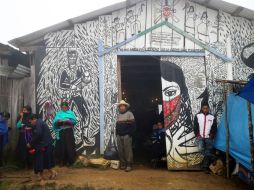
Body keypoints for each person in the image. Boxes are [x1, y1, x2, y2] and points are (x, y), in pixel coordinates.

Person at [27, 114, 57, 182]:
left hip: (43, 145)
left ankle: (41, 177)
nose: (31, 123)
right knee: (45, 160)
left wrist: (30, 143)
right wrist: (32, 128)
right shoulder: (40, 123)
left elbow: (38, 134)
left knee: (39, 160)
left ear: (34, 119)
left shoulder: (39, 123)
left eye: (31, 122)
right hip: (46, 144)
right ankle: (52, 173)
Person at [194, 102, 217, 172]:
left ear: (208, 109)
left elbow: (214, 127)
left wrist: (211, 135)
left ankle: (205, 167)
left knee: (207, 151)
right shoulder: (198, 116)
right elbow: (195, 126)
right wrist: (197, 134)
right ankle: (213, 157)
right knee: (200, 149)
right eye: (204, 108)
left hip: (208, 137)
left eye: (206, 108)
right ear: (201, 108)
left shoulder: (212, 117)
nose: (205, 110)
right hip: (200, 136)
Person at [53, 101, 78, 166]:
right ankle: (61, 161)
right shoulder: (59, 114)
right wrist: (59, 121)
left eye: (65, 107)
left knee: (69, 146)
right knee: (61, 146)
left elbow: (74, 122)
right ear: (61, 107)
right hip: (61, 131)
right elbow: (55, 122)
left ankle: (70, 162)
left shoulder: (71, 113)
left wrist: (68, 120)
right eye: (62, 107)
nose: (64, 108)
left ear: (67, 107)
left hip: (68, 131)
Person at [116, 100, 135, 172]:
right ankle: (123, 164)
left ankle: (129, 165)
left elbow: (133, 126)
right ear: (119, 107)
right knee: (120, 150)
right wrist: (117, 133)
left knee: (128, 150)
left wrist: (130, 134)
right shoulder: (118, 115)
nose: (122, 107)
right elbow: (117, 125)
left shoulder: (129, 114)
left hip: (127, 135)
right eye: (120, 106)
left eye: (123, 106)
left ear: (126, 107)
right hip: (119, 135)